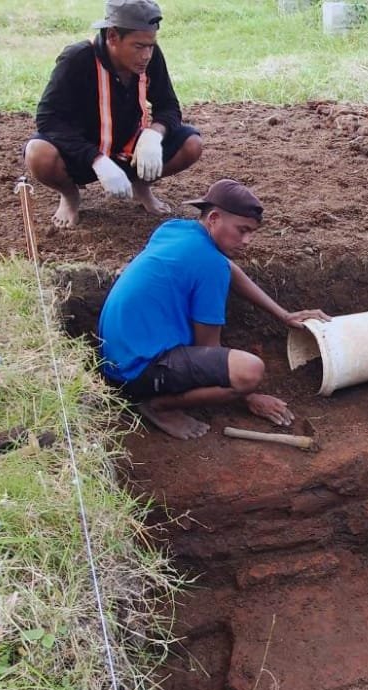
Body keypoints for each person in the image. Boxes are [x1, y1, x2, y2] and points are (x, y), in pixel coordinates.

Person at [97, 179, 330, 440]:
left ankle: (154, 394)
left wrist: (283, 315)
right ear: (215, 218)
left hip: (114, 354)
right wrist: (249, 396)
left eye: (251, 232)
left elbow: (227, 267)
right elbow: (208, 347)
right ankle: (158, 406)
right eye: (242, 230)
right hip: (135, 372)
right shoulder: (209, 266)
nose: (247, 240)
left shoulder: (176, 229)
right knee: (249, 371)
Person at [25, 0, 203, 228]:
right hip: (82, 154)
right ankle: (70, 196)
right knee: (38, 153)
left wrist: (153, 136)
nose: (147, 55)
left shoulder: (151, 56)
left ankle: (141, 184)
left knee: (192, 143)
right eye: (139, 46)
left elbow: (168, 105)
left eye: (151, 45)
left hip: (130, 150)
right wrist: (96, 159)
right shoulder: (77, 59)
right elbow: (48, 119)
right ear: (112, 36)